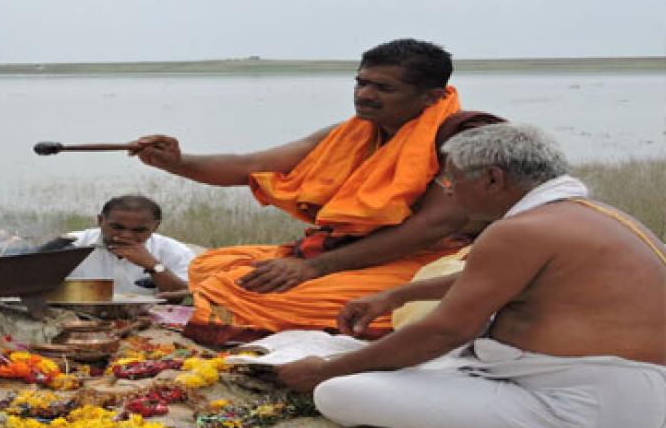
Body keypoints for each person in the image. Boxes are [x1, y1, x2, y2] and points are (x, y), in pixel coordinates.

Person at [275, 124, 666, 428]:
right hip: (636, 395)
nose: (447, 191)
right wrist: (398, 295)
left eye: (451, 180)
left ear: (494, 178)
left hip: (582, 405)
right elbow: (496, 278)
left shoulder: (519, 231)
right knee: (406, 362)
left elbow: (447, 331)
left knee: (339, 394)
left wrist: (325, 371)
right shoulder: (594, 214)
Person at [130, 38, 502, 345]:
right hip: (355, 254)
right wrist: (176, 162)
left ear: (432, 97)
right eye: (361, 82)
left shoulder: (466, 137)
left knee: (241, 291)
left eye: (384, 88)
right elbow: (251, 165)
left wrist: (313, 267)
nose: (365, 95)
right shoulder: (354, 132)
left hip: (436, 261)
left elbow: (433, 227)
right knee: (210, 265)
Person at [65, 195, 195, 296]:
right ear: (100, 221)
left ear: (155, 227)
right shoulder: (71, 245)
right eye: (117, 227)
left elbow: (185, 296)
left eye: (138, 230)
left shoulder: (176, 252)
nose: (126, 235)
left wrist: (153, 266)